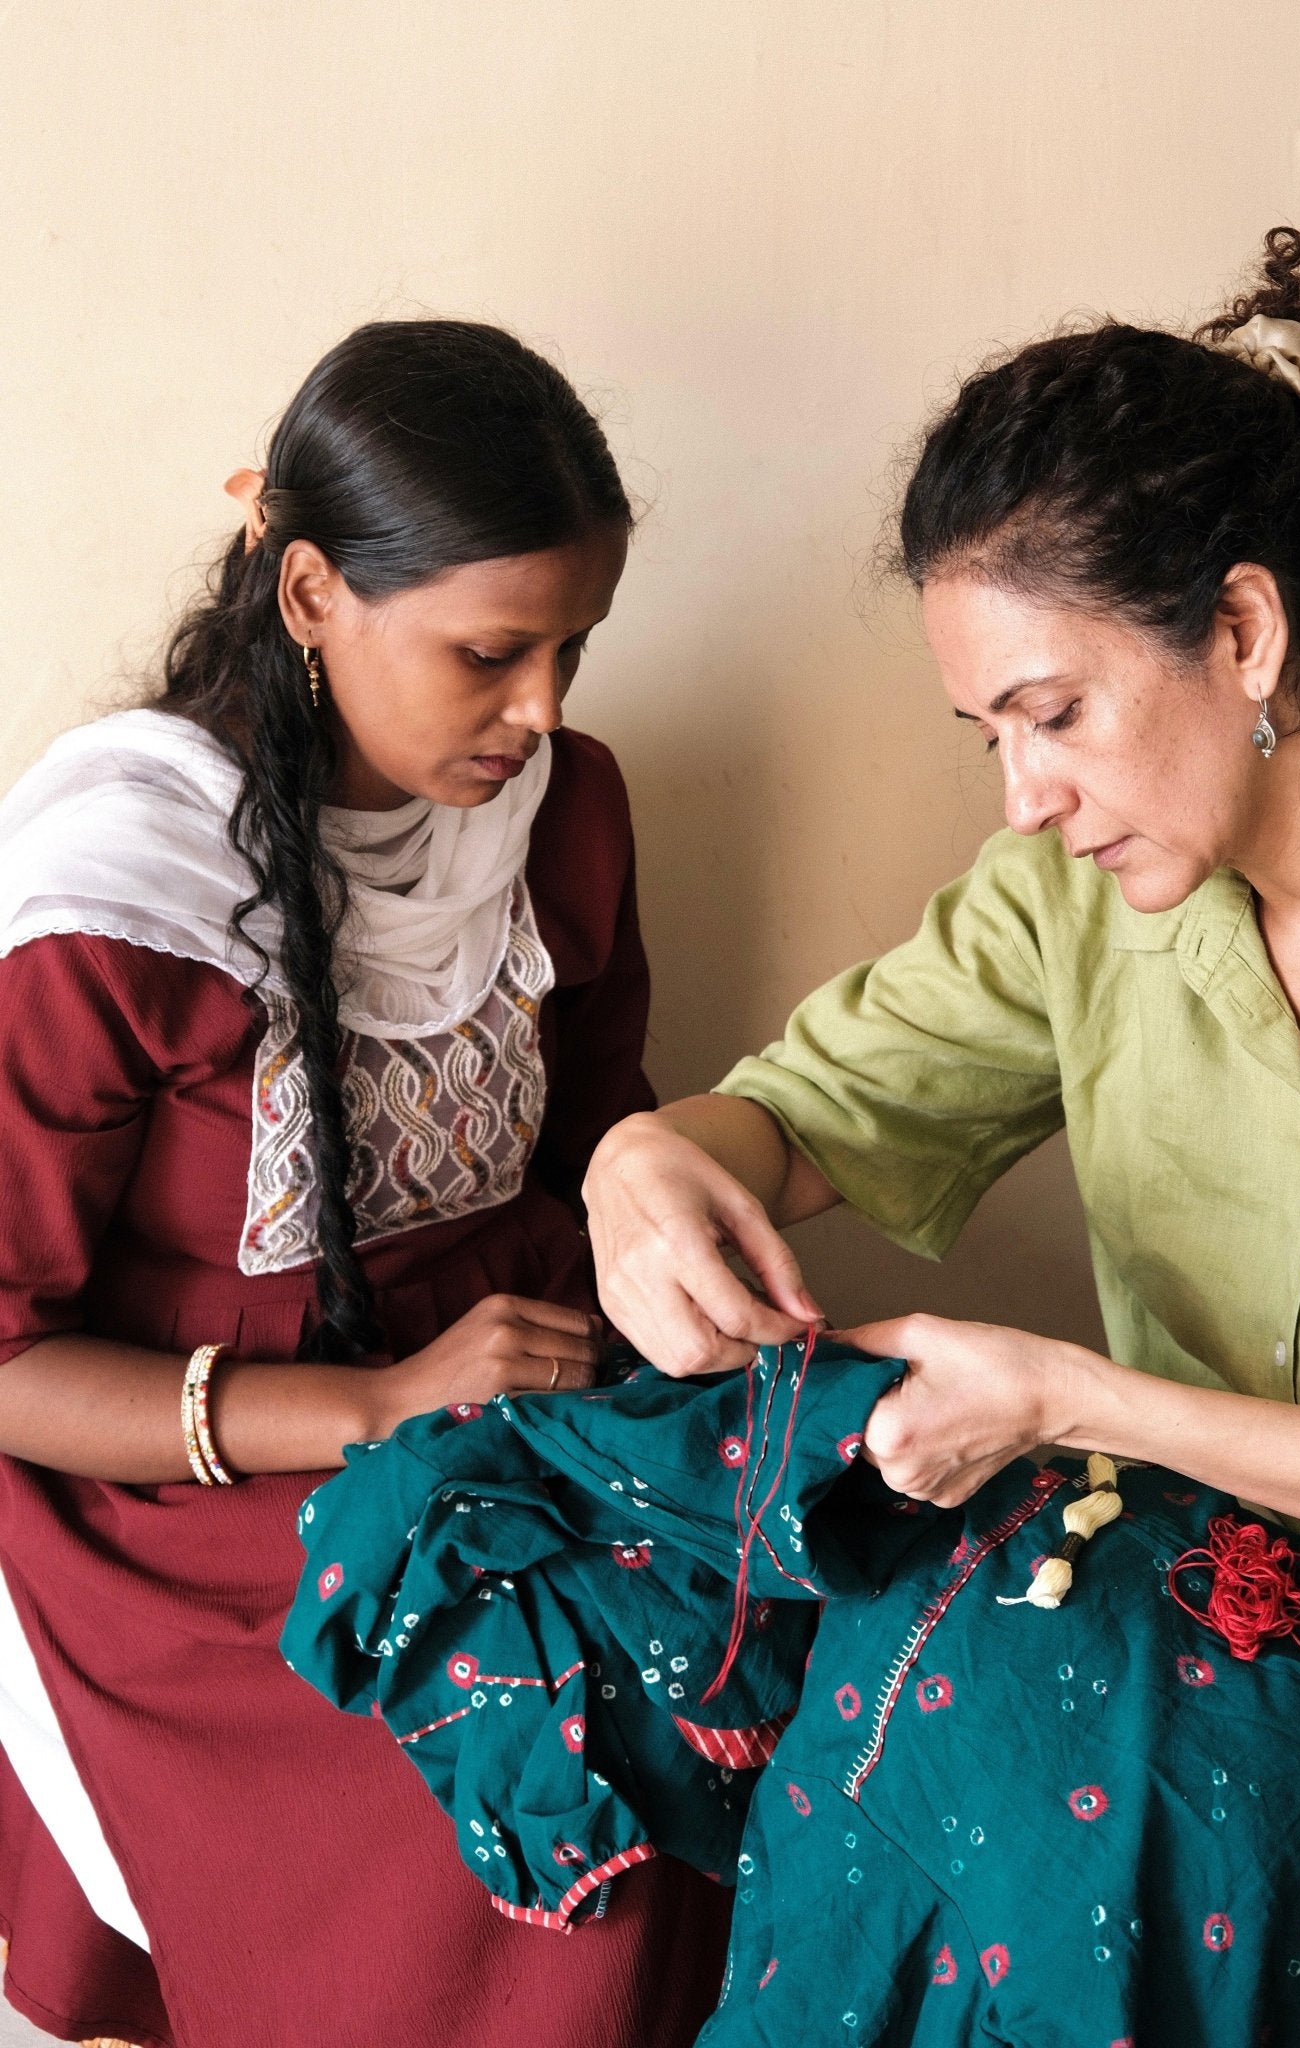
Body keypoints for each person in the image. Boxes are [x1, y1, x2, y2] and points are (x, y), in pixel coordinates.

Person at [582, 230, 1300, 2032]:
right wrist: (642, 1171)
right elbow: (778, 1121)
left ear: (1243, 629)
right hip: (1200, 1633)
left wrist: (1067, 1400)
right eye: (990, 731)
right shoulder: (1068, 905)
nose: (1024, 794)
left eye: (1054, 717)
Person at [0, 321, 729, 2048]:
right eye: (492, 650)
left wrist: (697, 1290)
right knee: (536, 1752)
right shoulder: (116, 908)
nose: (542, 706)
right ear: (313, 591)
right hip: (198, 1497)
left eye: (573, 646)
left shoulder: (568, 810)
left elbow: (592, 1142)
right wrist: (384, 1401)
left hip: (524, 1408)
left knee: (774, 1635)